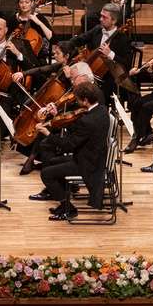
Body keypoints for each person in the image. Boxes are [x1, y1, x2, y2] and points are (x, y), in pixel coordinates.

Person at [34, 79, 109, 221]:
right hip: (93, 157)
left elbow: (68, 145)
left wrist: (47, 134)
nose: (77, 103)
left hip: (87, 164)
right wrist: (57, 117)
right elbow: (80, 128)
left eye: (79, 100)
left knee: (46, 174)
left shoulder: (87, 121)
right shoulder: (102, 110)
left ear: (86, 101)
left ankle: (69, 209)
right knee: (52, 162)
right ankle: (63, 202)